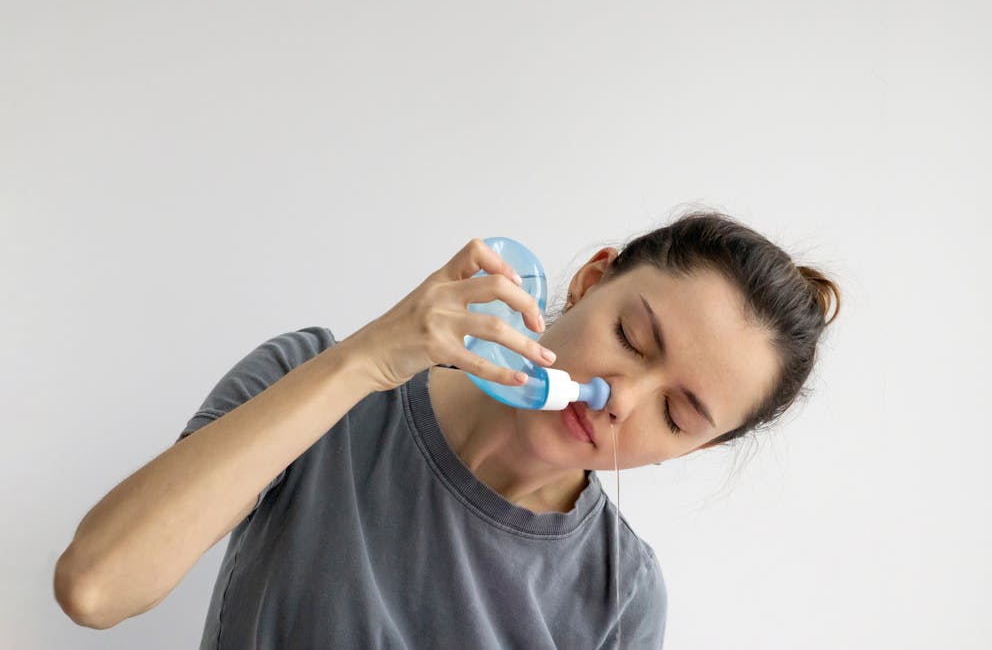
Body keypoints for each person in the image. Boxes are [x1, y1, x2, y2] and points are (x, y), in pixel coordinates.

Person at [54, 208, 841, 649]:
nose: (620, 398)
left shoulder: (620, 595)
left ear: (693, 450)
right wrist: (365, 359)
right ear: (591, 280)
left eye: (676, 415)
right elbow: (95, 587)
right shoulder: (317, 382)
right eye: (633, 339)